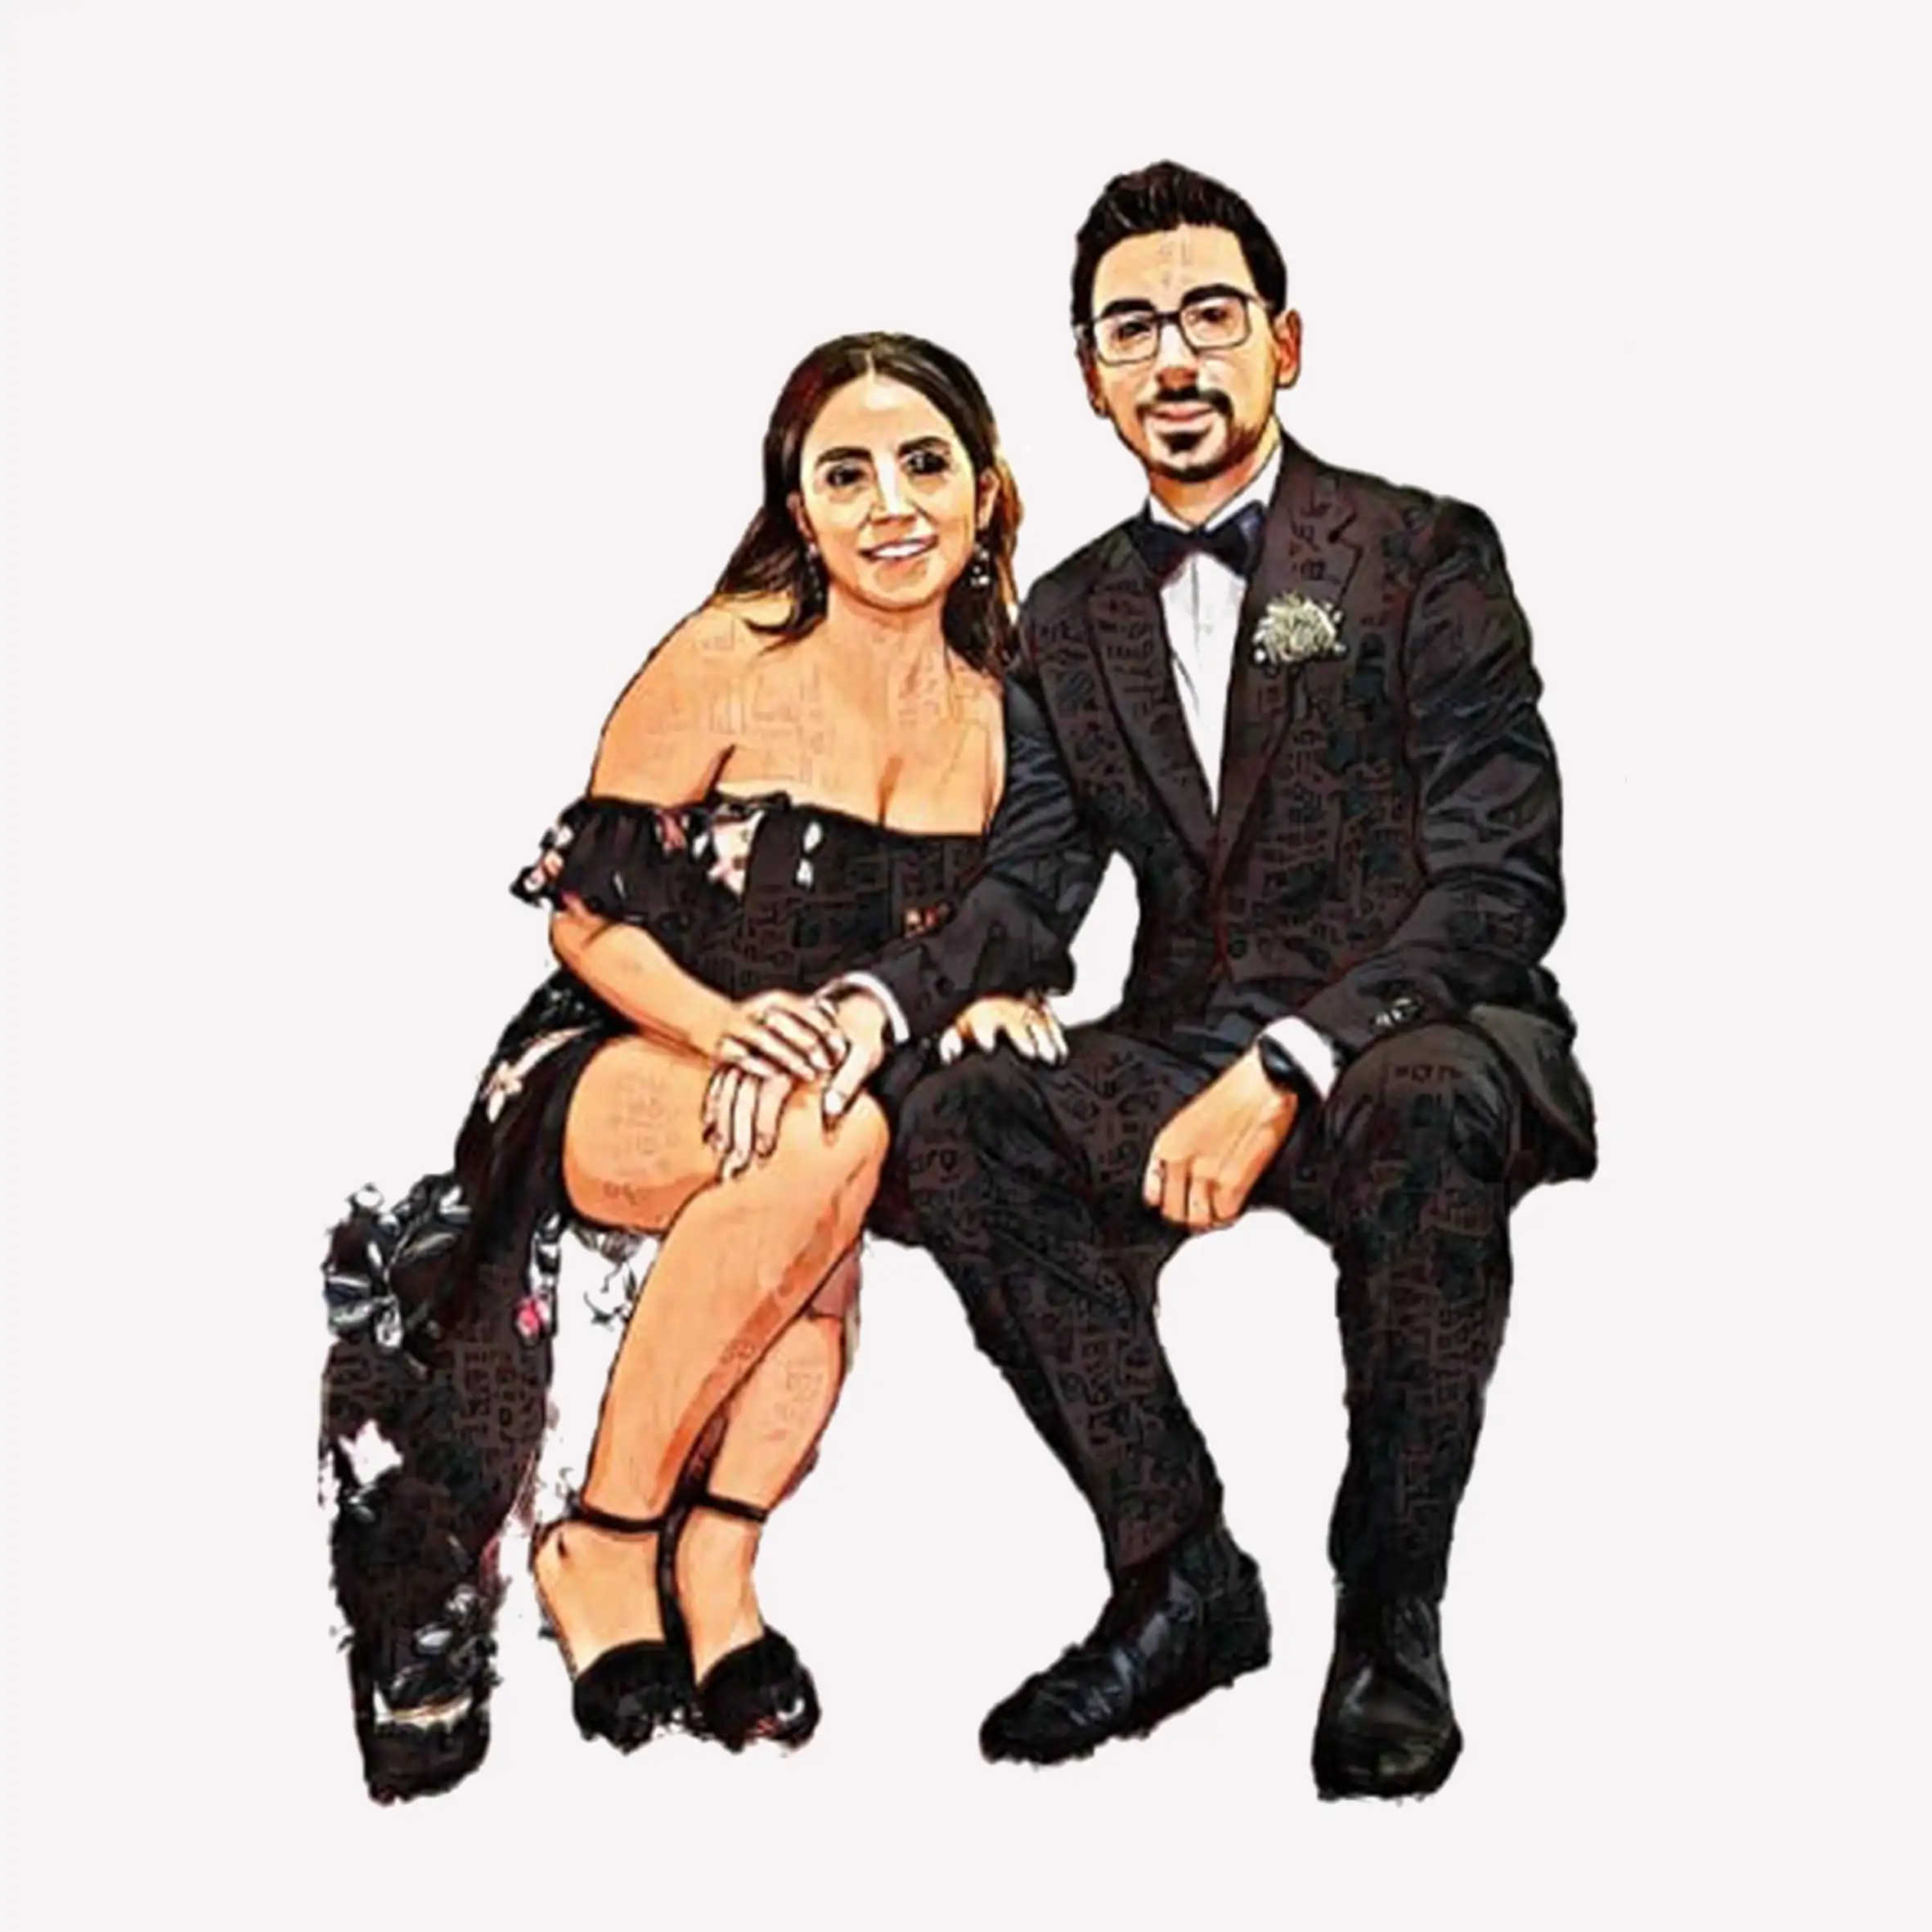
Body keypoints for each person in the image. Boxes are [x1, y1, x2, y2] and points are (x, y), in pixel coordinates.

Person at [878, 163, 1598, 1799]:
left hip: (1419, 1026)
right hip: (1183, 1031)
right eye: (1130, 330)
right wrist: (908, 1001)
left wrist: (1288, 1061)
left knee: (1424, 1104)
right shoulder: (1069, 612)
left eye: (1209, 316)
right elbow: (1030, 882)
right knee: (959, 1112)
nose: (1174, 359)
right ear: (1088, 378)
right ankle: (1178, 1570)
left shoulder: (1418, 551)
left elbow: (1498, 886)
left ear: (1283, 342)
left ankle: (1388, 1623)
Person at [317, 331, 1098, 1802]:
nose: (890, 506)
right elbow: (583, 914)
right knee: (828, 1140)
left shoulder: (1004, 715)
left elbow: (989, 933)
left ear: (988, 490)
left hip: (826, 1091)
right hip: (624, 1049)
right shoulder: (729, 652)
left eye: (924, 465)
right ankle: (607, 1539)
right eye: (845, 474)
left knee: (833, 1153)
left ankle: (717, 1557)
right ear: (799, 507)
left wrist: (995, 1000)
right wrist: (724, 1026)